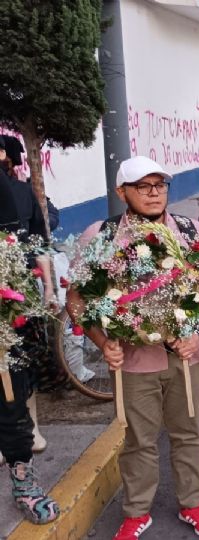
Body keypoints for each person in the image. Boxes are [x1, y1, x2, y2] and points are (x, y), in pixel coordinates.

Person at [67, 156, 199, 538]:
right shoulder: (101, 237)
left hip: (187, 358)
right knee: (138, 438)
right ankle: (137, 510)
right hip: (134, 362)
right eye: (143, 186)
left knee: (189, 431)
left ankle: (193, 502)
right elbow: (76, 299)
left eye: (160, 185)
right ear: (121, 192)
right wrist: (103, 341)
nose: (154, 193)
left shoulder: (191, 233)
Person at [0, 160, 59, 527]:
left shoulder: (12, 192)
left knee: (11, 395)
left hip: (7, 314)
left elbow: (24, 249)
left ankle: (23, 482)